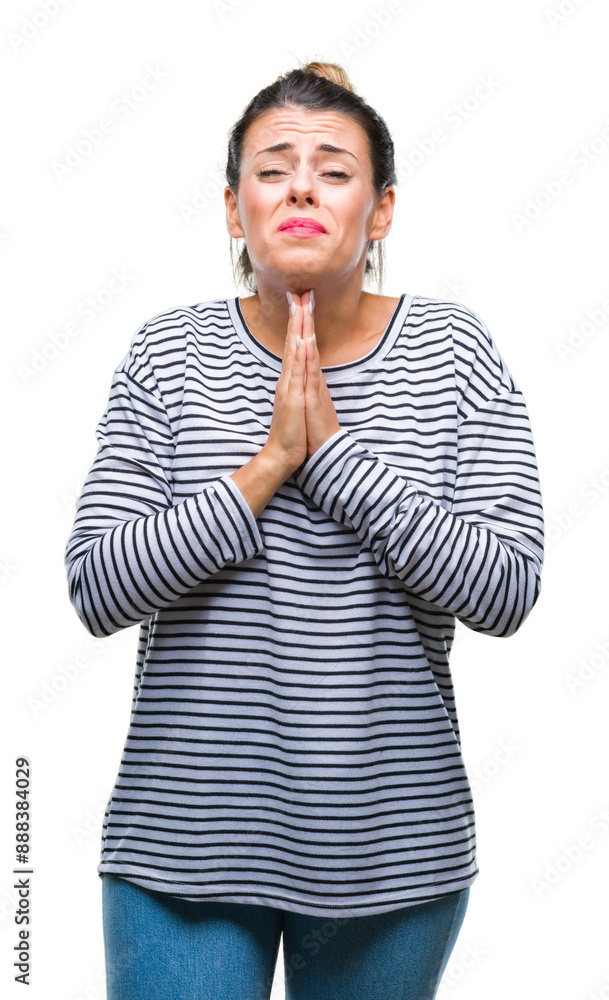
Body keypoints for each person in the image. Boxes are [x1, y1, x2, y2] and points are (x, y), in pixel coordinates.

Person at [64, 60, 544, 1000]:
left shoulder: (455, 352)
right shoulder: (170, 353)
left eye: (333, 168)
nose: (299, 188)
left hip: (393, 854)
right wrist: (264, 469)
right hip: (182, 850)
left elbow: (504, 588)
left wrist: (329, 459)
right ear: (234, 210)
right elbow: (96, 586)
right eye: (271, 166)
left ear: (383, 209)